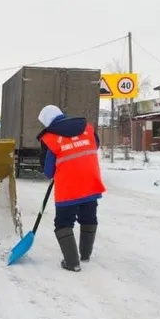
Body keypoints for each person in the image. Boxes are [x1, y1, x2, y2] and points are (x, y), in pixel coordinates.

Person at [36, 104, 106, 272]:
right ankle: (85, 254)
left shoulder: (50, 138)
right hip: (91, 183)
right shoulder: (88, 129)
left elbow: (47, 171)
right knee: (88, 217)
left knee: (63, 223)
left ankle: (72, 262)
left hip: (69, 188)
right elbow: (94, 146)